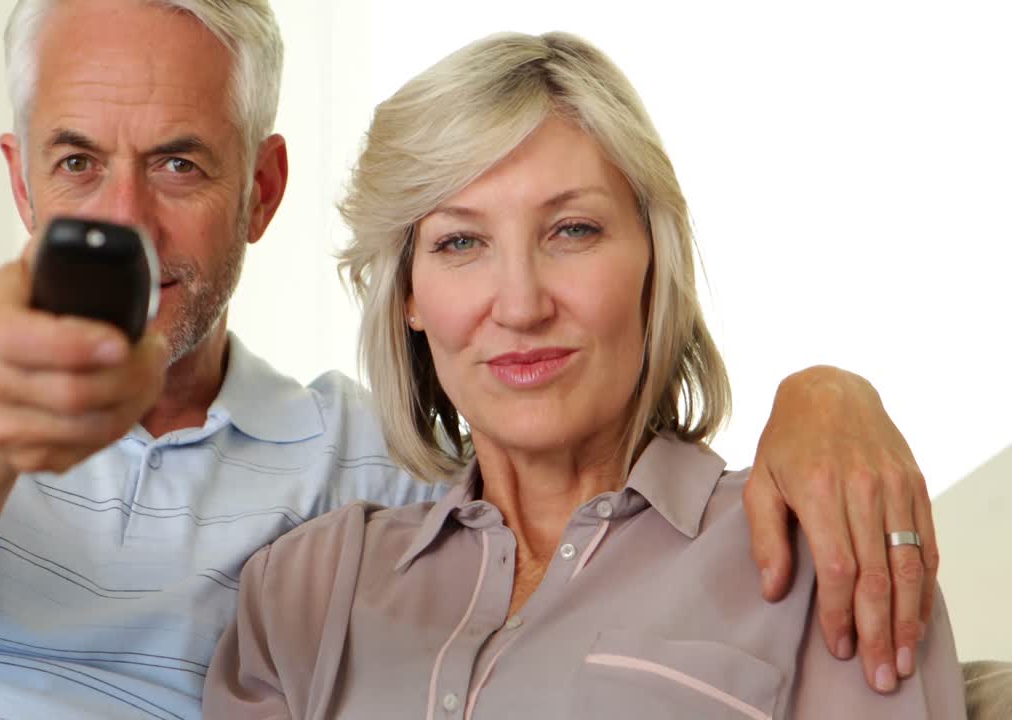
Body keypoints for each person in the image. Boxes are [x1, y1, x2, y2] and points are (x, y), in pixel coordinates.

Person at [0, 1, 939, 718]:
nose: (120, 222)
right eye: (73, 166)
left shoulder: (356, 478)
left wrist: (824, 394)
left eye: (177, 164)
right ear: (17, 180)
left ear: (260, 190)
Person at [203, 30, 963, 719]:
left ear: (653, 259)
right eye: (462, 243)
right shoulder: (306, 586)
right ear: (409, 297)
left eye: (573, 230)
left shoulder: (827, 549)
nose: (523, 305)